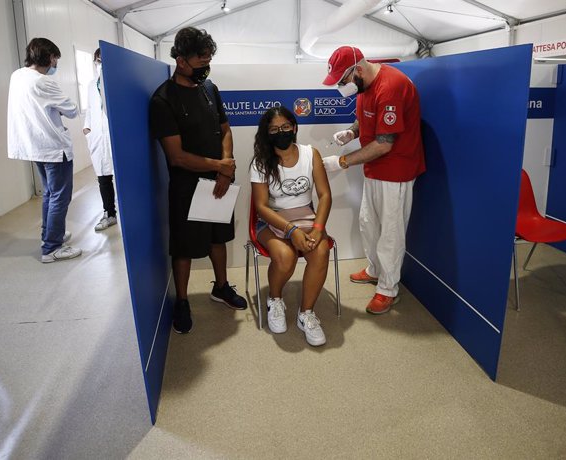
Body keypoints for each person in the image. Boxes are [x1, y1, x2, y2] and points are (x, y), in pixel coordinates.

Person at [149, 27, 246, 335]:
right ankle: (182, 301)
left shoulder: (209, 89)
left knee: (218, 239)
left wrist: (224, 170)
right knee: (184, 248)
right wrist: (222, 165)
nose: (206, 66)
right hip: (186, 186)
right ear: (180, 60)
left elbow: (225, 129)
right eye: (200, 60)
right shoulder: (163, 100)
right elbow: (176, 156)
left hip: (218, 181)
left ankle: (220, 287)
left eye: (209, 59)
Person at [321, 46, 426, 315]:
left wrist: (341, 162)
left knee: (391, 231)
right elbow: (365, 117)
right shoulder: (364, 85)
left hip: (396, 169)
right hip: (375, 169)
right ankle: (374, 270)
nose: (342, 87)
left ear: (356, 70)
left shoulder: (391, 86)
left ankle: (388, 289)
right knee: (369, 223)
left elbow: (384, 144)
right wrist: (351, 131)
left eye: (342, 81)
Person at [250, 107, 332, 346]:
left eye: (286, 127)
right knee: (286, 257)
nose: (281, 132)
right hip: (272, 220)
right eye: (274, 129)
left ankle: (306, 314)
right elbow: (261, 206)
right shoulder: (261, 162)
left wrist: (317, 228)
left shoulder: (311, 154)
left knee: (320, 250)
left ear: (295, 128)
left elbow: (325, 195)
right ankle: (274, 299)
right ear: (267, 133)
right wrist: (291, 231)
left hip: (307, 217)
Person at [7, 37, 82, 263]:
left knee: (49, 193)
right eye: (56, 59)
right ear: (50, 57)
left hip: (34, 147)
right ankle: (52, 248)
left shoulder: (17, 76)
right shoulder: (43, 82)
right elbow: (72, 110)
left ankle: (49, 235)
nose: (56, 64)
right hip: (53, 147)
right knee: (60, 196)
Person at [83, 47, 117, 231]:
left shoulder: (118, 82)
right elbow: (90, 108)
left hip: (115, 137)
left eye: (103, 60)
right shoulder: (91, 84)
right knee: (104, 178)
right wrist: (87, 127)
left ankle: (131, 213)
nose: (100, 64)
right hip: (98, 136)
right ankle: (109, 214)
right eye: (98, 60)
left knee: (123, 178)